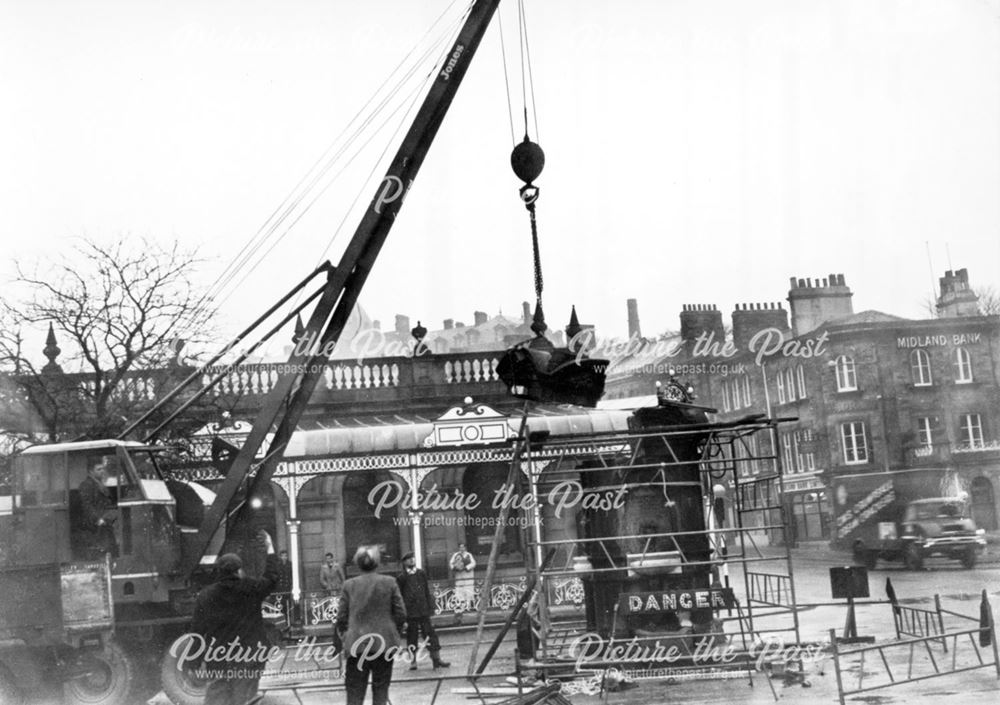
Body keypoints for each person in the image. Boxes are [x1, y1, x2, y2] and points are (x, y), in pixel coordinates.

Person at [190, 531, 280, 705]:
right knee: (245, 698)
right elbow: (272, 577)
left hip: (219, 660)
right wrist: (269, 548)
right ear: (238, 571)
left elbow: (197, 632)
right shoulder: (251, 588)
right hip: (249, 657)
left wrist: (193, 663)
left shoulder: (205, 596)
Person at [335, 545, 406, 705]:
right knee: (381, 689)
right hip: (384, 643)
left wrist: (346, 635)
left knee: (354, 692)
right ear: (377, 563)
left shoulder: (349, 585)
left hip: (356, 644)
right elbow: (401, 613)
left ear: (358, 564)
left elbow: (341, 617)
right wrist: (394, 632)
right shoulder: (390, 582)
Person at [396, 552, 450, 670]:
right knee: (412, 637)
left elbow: (426, 590)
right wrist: (403, 614)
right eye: (408, 559)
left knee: (431, 635)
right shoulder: (401, 578)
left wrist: (430, 607)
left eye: (412, 558)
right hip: (411, 613)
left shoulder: (421, 573)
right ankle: (413, 661)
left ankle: (437, 659)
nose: (411, 561)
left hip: (423, 611)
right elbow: (399, 596)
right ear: (404, 563)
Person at [77, 457, 118, 560]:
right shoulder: (86, 485)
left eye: (102, 469)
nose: (102, 471)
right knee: (103, 548)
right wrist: (98, 519)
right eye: (98, 469)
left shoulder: (99, 484)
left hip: (104, 520)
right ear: (91, 471)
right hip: (94, 525)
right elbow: (86, 506)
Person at [449, 543, 476, 618]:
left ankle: (468, 605)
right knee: (460, 589)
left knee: (468, 589)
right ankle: (460, 606)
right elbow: (451, 563)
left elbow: (473, 563)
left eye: (463, 547)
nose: (462, 549)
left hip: (467, 574)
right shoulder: (456, 555)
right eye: (460, 547)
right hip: (459, 575)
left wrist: (466, 567)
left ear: (465, 548)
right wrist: (455, 567)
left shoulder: (469, 555)